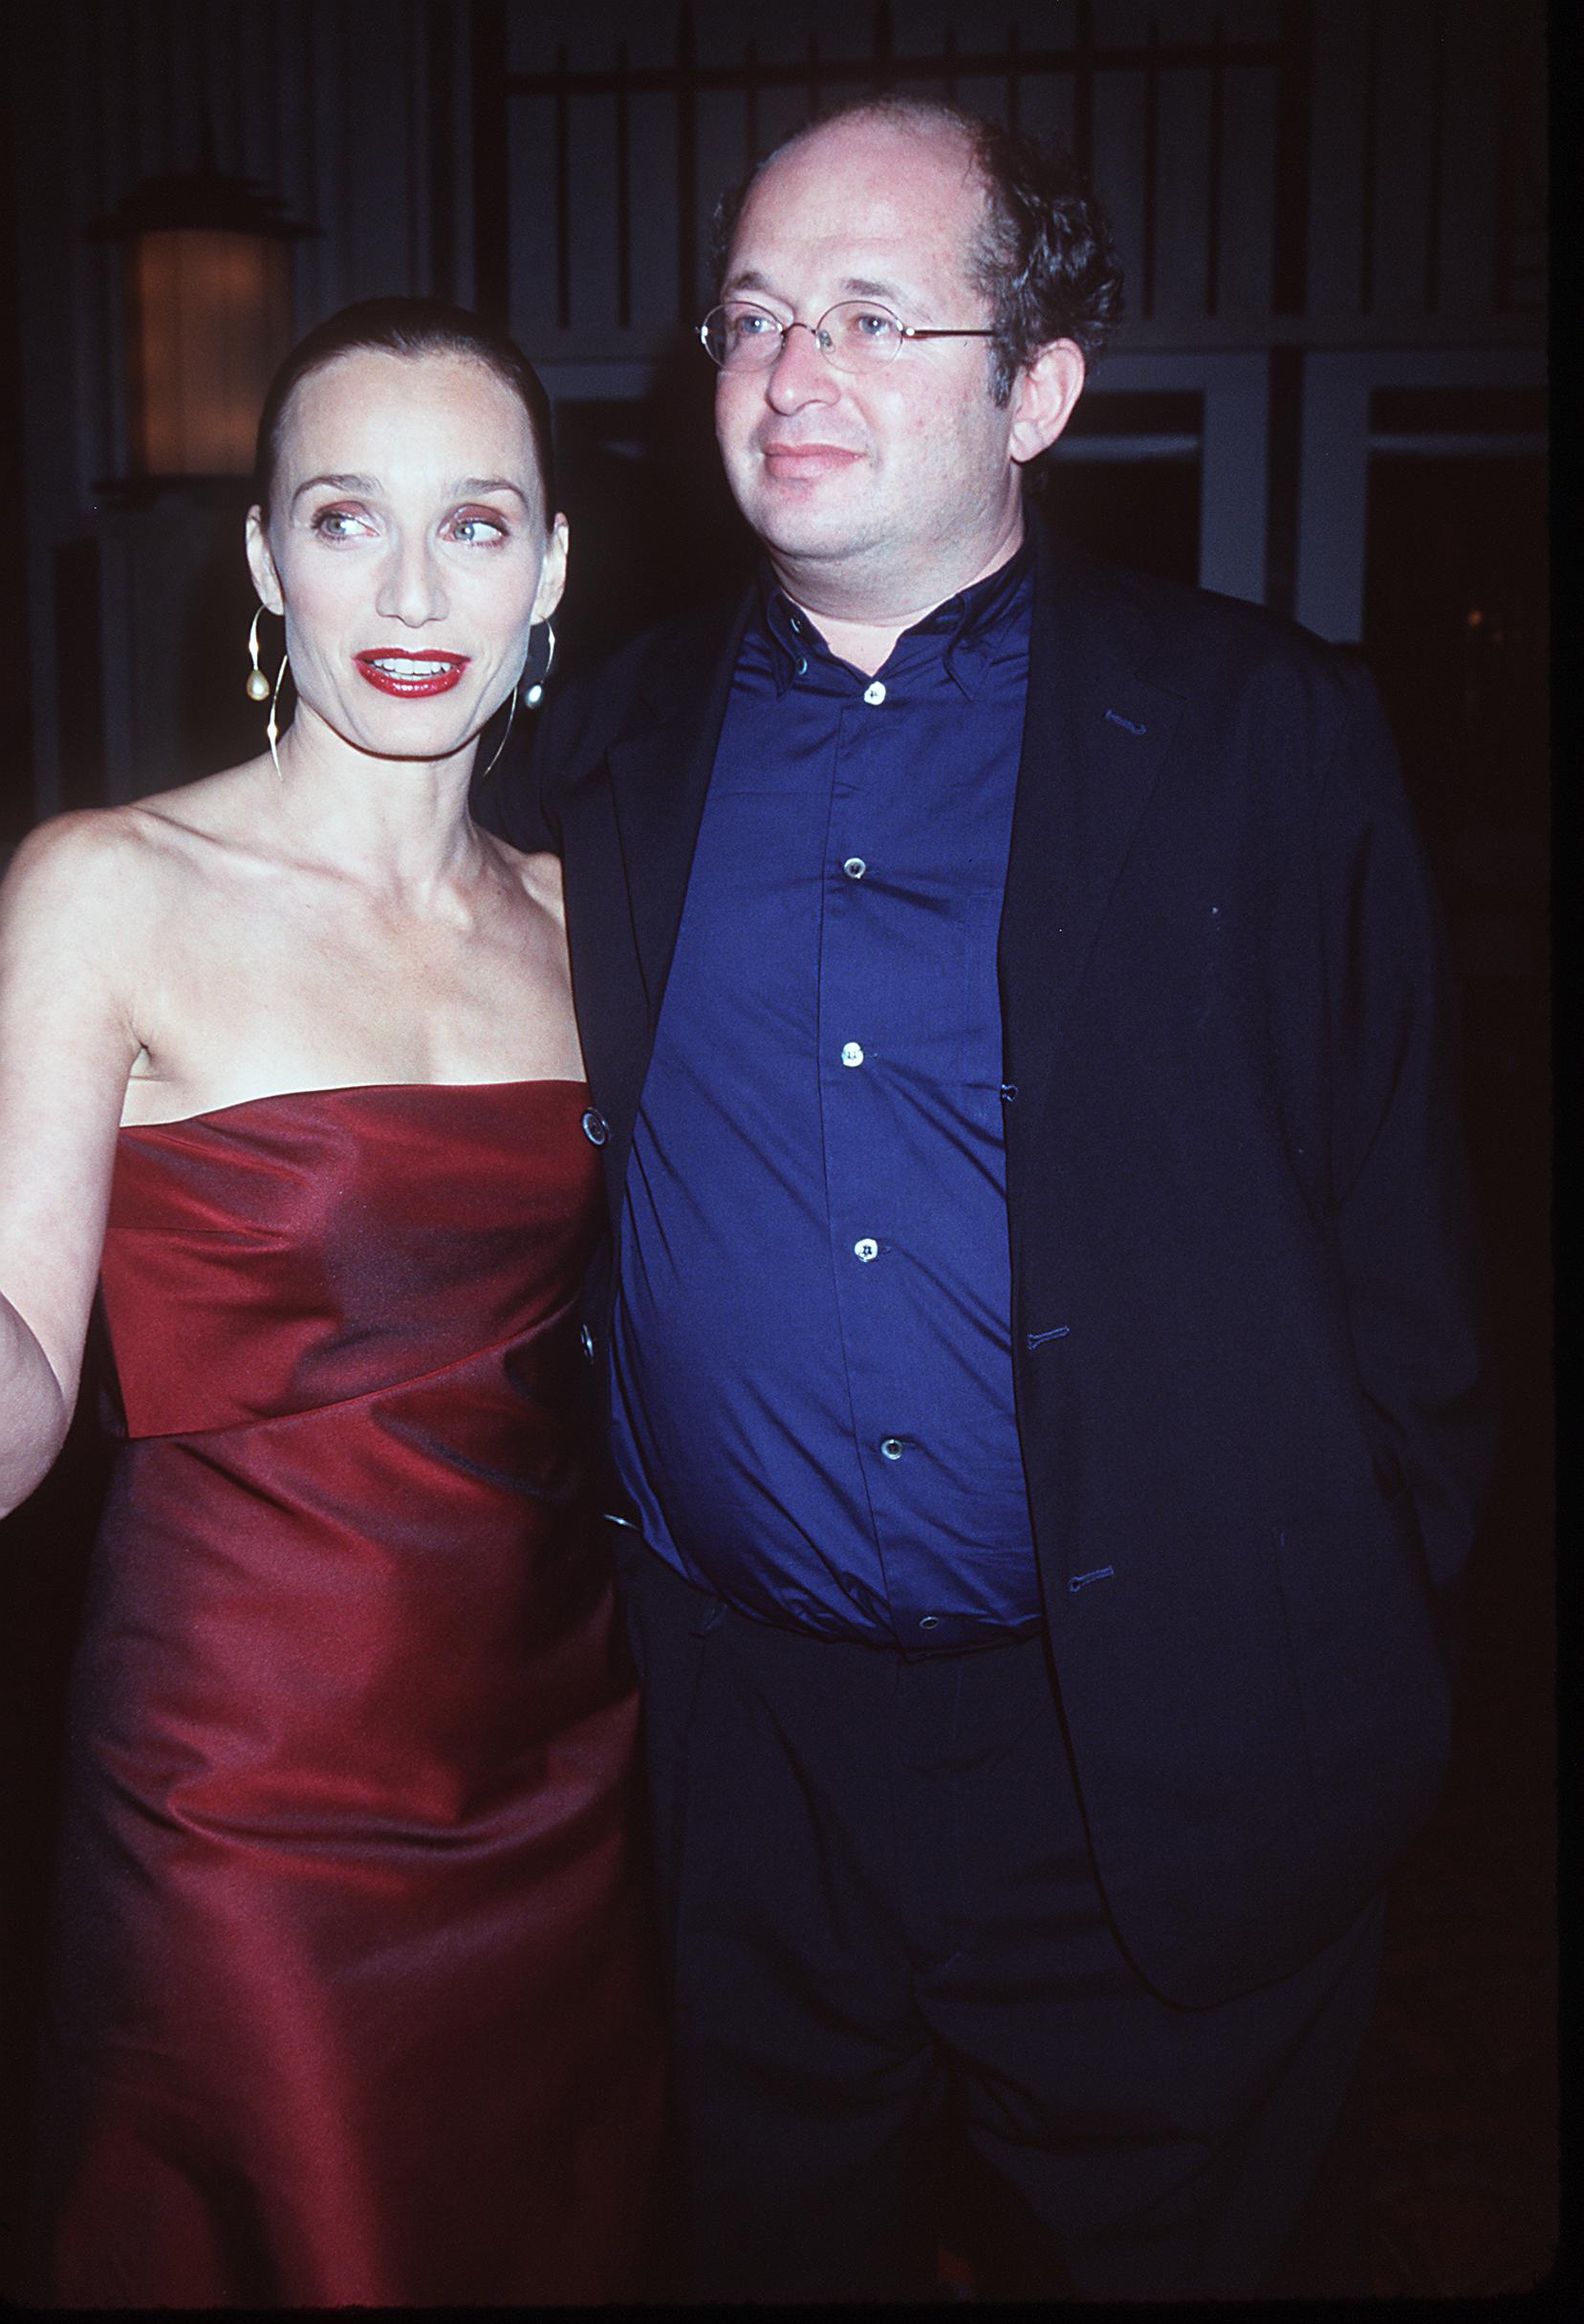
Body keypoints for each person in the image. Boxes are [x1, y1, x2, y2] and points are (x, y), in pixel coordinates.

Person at [474, 98, 1494, 2302]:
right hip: (738, 1766)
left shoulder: (1264, 733)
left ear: (1039, 386)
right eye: (750, 318)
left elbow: (1408, 1259)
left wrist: (1362, 1655)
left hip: (1153, 1751)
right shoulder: (596, 756)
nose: (786, 370)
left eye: (867, 313)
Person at [0, 298, 668, 2307]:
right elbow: (26, 1363)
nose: (406, 585)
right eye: (343, 516)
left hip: (558, 1768)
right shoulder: (108, 885)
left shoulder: (589, 916)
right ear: (265, 560)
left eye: (473, 523)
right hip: (241, 1801)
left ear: (548, 568)